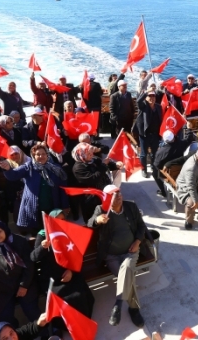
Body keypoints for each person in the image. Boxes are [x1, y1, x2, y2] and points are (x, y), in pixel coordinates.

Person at [87, 186, 147, 328]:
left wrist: (138, 242)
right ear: (107, 198)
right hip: (111, 255)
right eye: (113, 194)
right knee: (128, 277)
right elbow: (90, 223)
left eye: (118, 192)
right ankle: (133, 309)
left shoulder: (130, 206)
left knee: (126, 268)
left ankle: (118, 304)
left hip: (131, 251)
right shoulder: (101, 210)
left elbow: (141, 225)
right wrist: (97, 220)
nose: (118, 196)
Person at [31, 209, 95, 334]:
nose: (60, 222)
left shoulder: (68, 231)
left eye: (63, 219)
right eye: (57, 220)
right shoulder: (43, 234)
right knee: (66, 298)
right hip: (51, 277)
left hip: (69, 271)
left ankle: (81, 322)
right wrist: (43, 247)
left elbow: (77, 255)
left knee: (79, 295)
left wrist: (71, 271)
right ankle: (65, 325)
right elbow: (33, 257)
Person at [0, 221, 41, 328]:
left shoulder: (19, 241)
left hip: (24, 283)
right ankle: (13, 335)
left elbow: (29, 265)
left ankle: (44, 332)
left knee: (32, 311)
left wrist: (24, 285)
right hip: (2, 289)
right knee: (4, 317)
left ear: (5, 230)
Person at [0, 144, 70, 235]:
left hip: (53, 207)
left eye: (43, 154)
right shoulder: (28, 167)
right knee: (40, 234)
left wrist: (65, 205)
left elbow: (63, 189)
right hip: (35, 208)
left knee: (54, 232)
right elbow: (14, 175)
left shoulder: (56, 168)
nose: (41, 156)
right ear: (33, 156)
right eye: (38, 154)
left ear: (47, 155)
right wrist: (8, 169)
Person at [72, 142, 123, 222]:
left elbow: (107, 165)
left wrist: (116, 165)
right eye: (88, 153)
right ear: (82, 154)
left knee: (109, 218)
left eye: (91, 152)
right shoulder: (78, 168)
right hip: (91, 200)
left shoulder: (94, 159)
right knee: (95, 220)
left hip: (105, 193)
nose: (91, 155)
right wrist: (103, 165)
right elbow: (94, 178)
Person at [153, 130, 192, 197]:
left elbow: (156, 165)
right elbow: (189, 139)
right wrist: (189, 129)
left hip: (169, 173)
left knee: (154, 173)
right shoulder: (181, 144)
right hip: (180, 169)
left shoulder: (161, 152)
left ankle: (163, 191)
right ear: (173, 137)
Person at [135, 90, 162, 178]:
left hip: (155, 134)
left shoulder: (158, 107)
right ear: (146, 98)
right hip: (144, 135)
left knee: (154, 153)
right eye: (149, 96)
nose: (151, 98)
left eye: (153, 96)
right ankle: (144, 169)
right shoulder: (143, 106)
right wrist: (146, 92)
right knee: (143, 154)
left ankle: (154, 168)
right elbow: (138, 101)